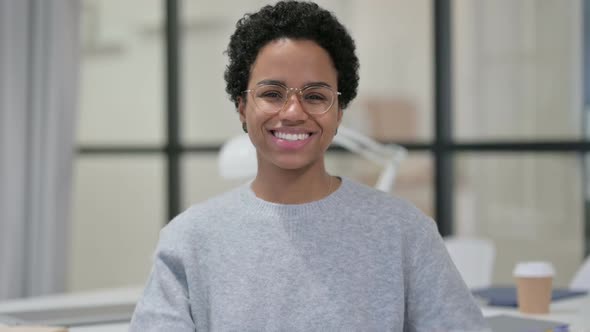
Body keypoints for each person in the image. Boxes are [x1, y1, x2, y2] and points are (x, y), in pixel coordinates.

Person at [129, 1, 488, 331]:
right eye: (272, 94)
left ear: (339, 112)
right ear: (242, 107)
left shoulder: (402, 231)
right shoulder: (190, 238)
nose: (293, 113)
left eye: (316, 96)